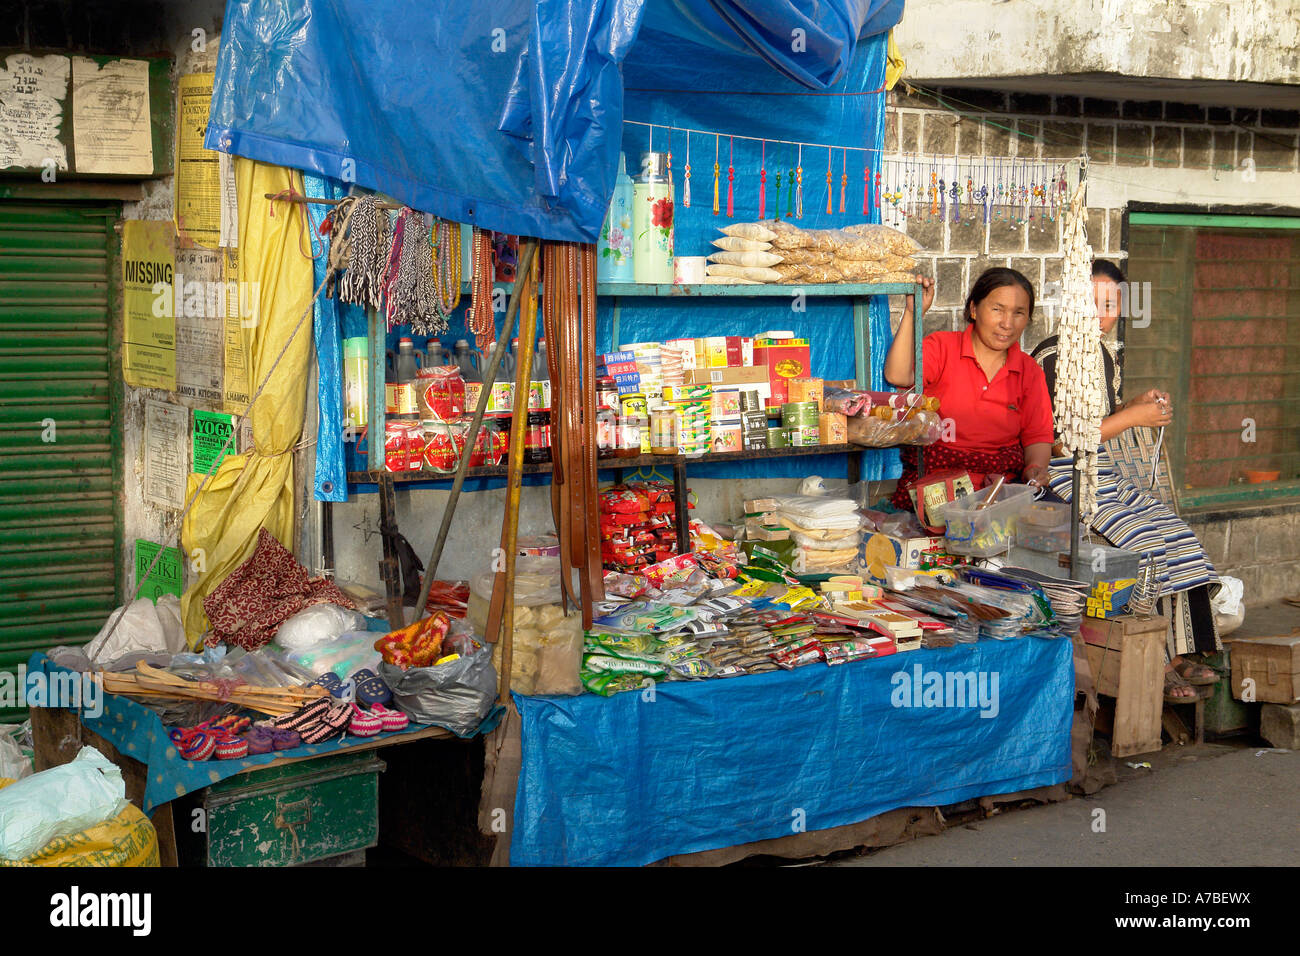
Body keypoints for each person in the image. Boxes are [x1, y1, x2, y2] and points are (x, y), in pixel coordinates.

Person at [1031, 259, 1221, 702]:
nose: (1100, 314)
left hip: (1103, 473)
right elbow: (1058, 442)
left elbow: (1106, 418)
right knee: (1142, 542)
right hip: (1062, 478)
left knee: (1177, 533)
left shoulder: (1104, 355)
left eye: (1110, 305)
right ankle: (1156, 661)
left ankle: (1182, 651)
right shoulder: (1052, 356)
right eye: (1090, 303)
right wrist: (1134, 417)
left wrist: (1134, 404)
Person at [884, 267, 1054, 512]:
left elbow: (1037, 436)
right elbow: (897, 375)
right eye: (997, 310)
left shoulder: (1029, 371)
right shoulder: (942, 348)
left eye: (1018, 313)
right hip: (936, 490)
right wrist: (913, 313)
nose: (1007, 323)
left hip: (1001, 491)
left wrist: (1035, 469)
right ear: (974, 309)